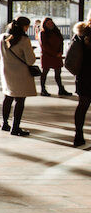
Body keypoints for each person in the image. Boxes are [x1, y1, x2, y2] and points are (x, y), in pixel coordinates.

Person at [0, 15, 37, 137]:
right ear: (25, 26)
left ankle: (4, 123)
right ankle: (15, 128)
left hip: (6, 72)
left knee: (7, 98)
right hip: (21, 74)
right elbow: (30, 61)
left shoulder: (1, 37)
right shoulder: (24, 40)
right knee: (20, 101)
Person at [67, 18, 91, 147]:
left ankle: (78, 135)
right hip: (85, 76)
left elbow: (70, 60)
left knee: (82, 106)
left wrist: (78, 72)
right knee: (82, 106)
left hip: (84, 77)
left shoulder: (80, 35)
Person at [37, 17, 69, 97]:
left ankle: (61, 89)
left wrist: (60, 52)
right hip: (47, 55)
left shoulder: (56, 31)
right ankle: (43, 89)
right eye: (48, 23)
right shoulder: (42, 33)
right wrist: (54, 53)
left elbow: (61, 41)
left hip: (57, 55)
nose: (50, 25)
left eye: (51, 23)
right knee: (45, 72)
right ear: (44, 25)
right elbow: (44, 46)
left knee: (58, 72)